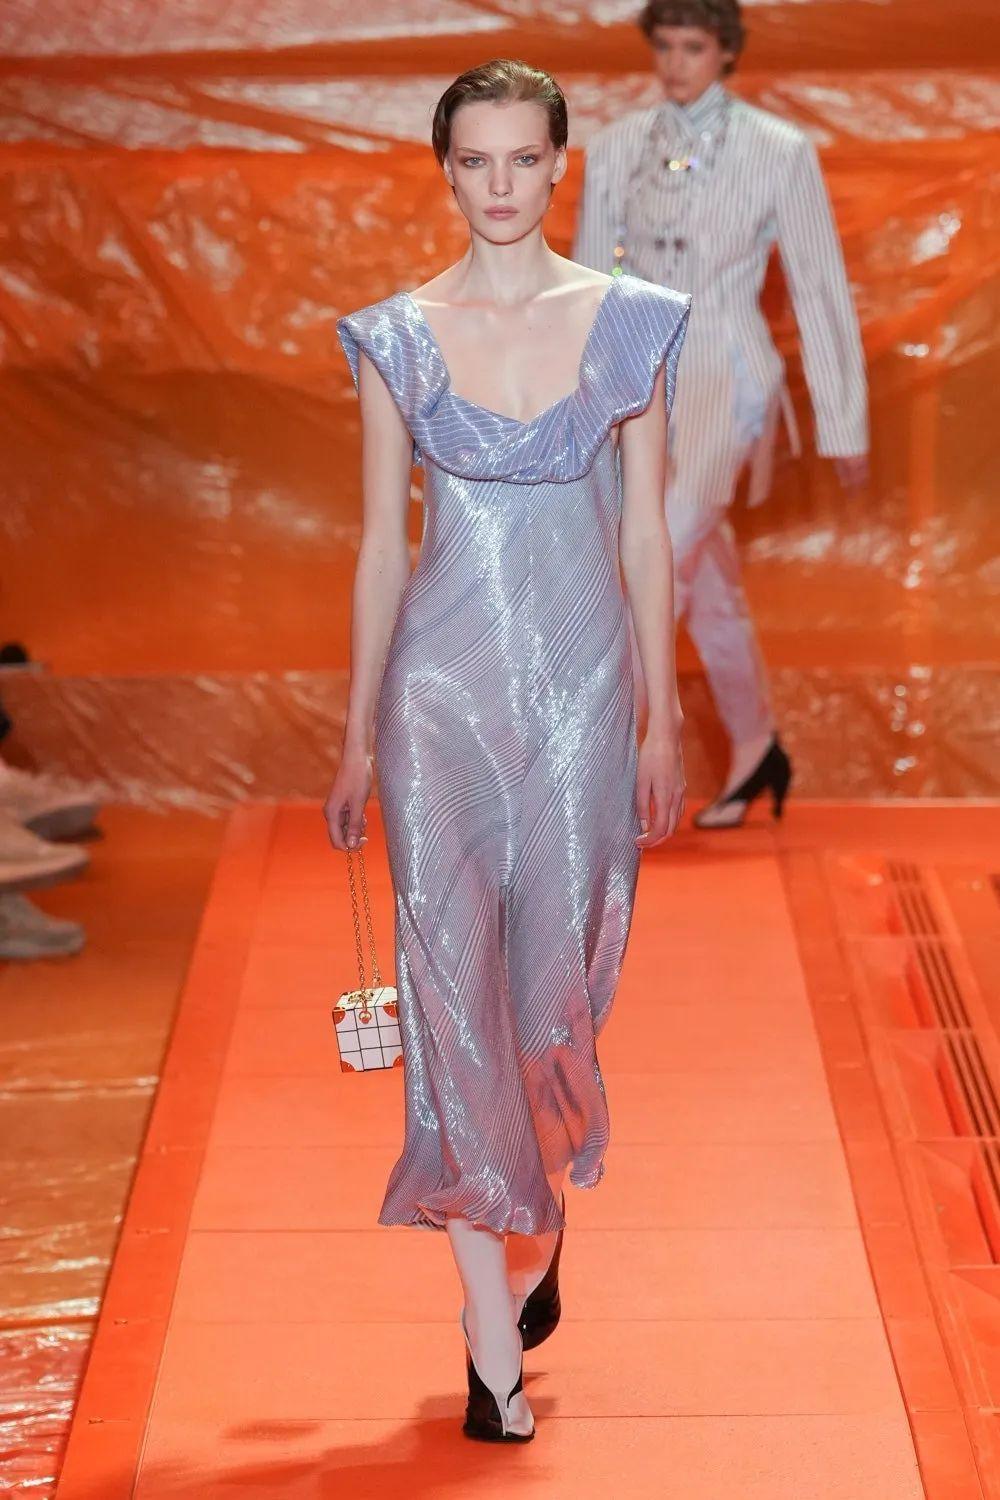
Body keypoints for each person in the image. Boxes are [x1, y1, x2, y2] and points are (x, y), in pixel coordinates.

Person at [324, 59, 690, 1443]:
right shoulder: (395, 338)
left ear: (559, 164)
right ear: (444, 169)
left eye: (522, 159)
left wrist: (662, 712)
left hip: (586, 695)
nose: (498, 184)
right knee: (448, 991)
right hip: (437, 701)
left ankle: (532, 1189)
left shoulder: (631, 323)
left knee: (555, 992)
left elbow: (646, 532)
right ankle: (490, 1331)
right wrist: (355, 734)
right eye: (473, 160)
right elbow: (381, 545)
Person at [573, 0, 870, 827]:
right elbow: (590, 281)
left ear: (727, 52)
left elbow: (819, 286)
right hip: (636, 372)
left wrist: (844, 422)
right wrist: (582, 404)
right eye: (665, 45)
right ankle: (756, 744)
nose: (676, 63)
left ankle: (600, 777)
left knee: (657, 555)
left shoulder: (780, 149)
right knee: (702, 580)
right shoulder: (617, 146)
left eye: (694, 47)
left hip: (724, 370)